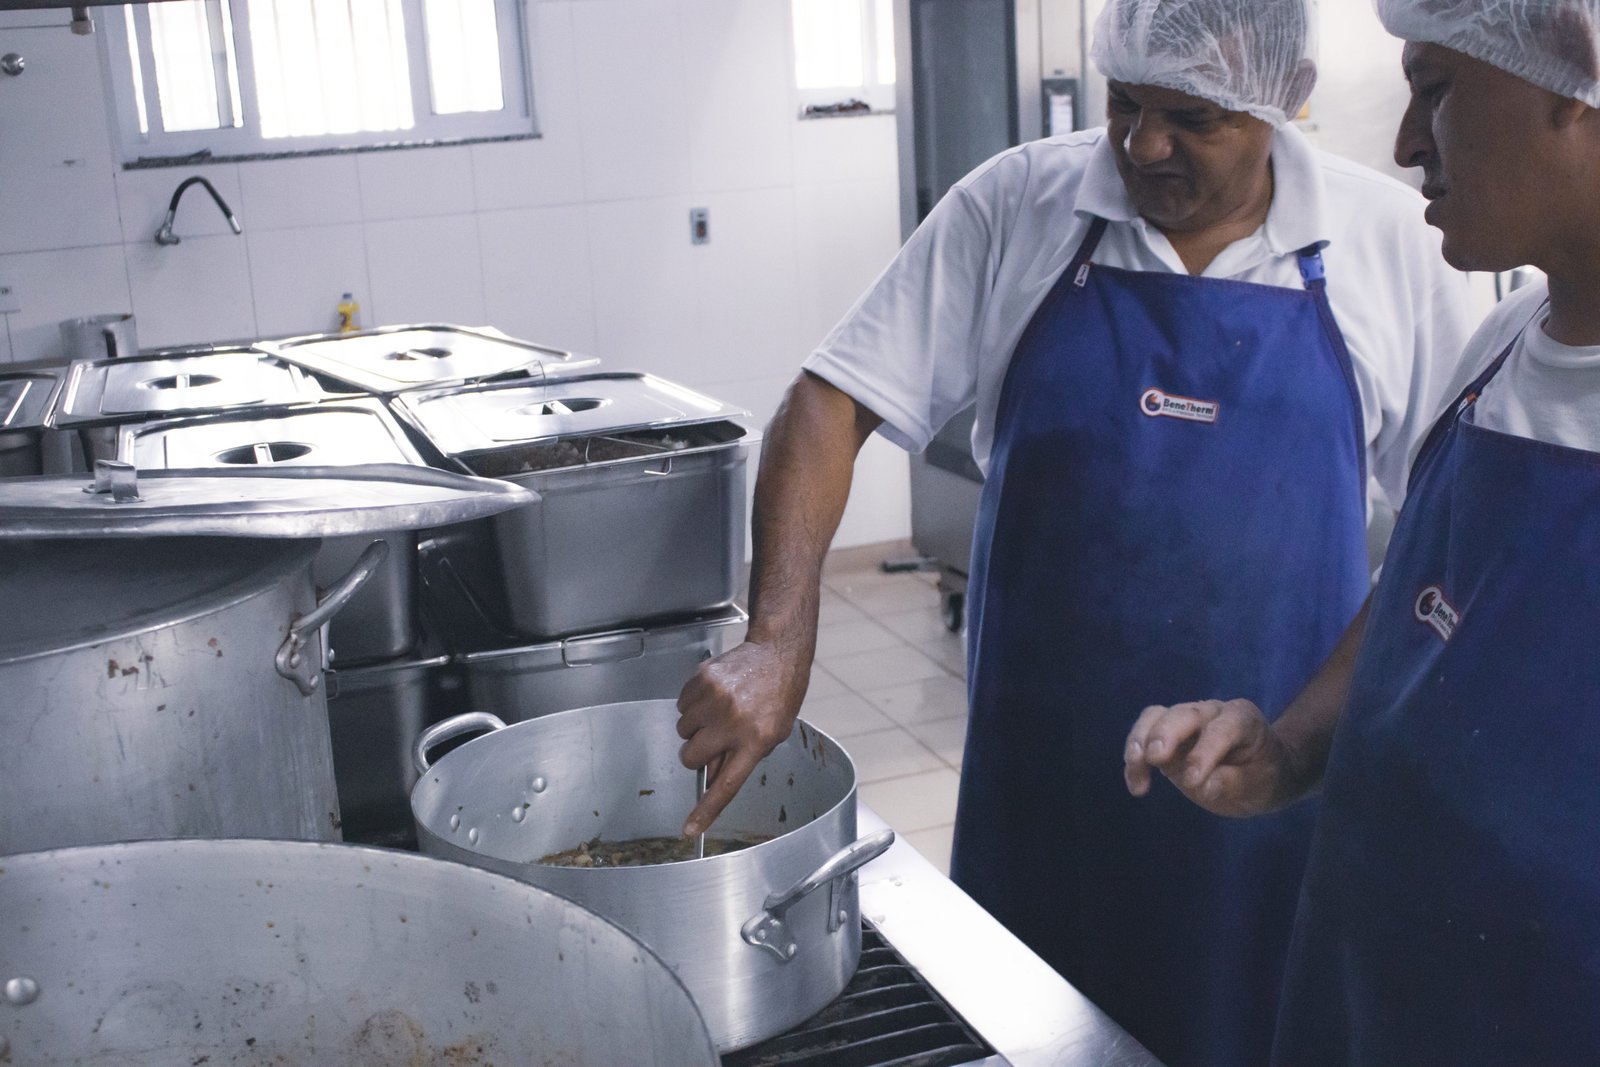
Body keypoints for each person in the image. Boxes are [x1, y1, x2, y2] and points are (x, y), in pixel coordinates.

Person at [677, 1, 1472, 1063]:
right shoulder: (1020, 203)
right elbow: (832, 400)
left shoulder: (1383, 245)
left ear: (1281, 103)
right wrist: (778, 636)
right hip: (1044, 784)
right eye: (1125, 104)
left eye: (1188, 116)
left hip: (1273, 791)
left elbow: (1451, 526)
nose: (1144, 145)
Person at [1123, 1, 1600, 1062]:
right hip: (1370, 981)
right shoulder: (1501, 345)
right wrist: (1292, 744)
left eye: (1435, 89)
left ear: (1577, 76)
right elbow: (1431, 592)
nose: (1404, 143)